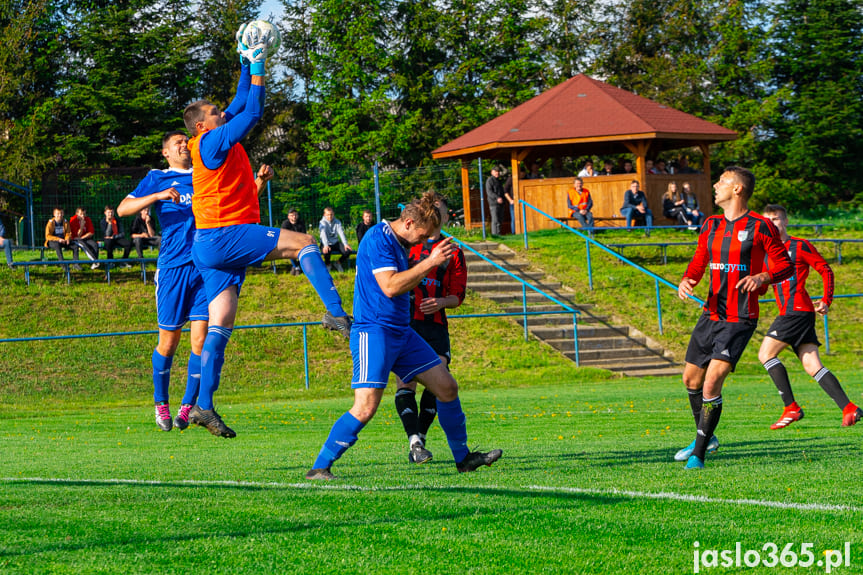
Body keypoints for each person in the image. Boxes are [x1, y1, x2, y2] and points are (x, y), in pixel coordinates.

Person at [183, 23, 351, 438]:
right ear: (203, 125)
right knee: (305, 243)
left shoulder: (210, 138)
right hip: (227, 233)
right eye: (215, 114)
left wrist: (244, 62)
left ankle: (203, 406)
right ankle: (335, 314)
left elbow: (241, 101)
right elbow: (253, 111)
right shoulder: (211, 142)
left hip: (209, 243)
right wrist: (259, 64)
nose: (223, 113)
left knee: (219, 328)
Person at [305, 190, 502, 480]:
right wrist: (430, 262)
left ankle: (464, 458)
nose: (423, 243)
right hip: (374, 331)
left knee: (447, 388)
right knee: (366, 406)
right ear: (409, 223)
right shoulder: (378, 238)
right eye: (423, 236)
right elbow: (390, 286)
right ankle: (319, 467)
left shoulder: (399, 242)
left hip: (401, 332)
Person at [675, 166, 794, 469]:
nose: (716, 185)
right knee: (691, 378)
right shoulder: (711, 224)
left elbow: (785, 266)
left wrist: (763, 276)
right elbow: (700, 260)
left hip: (740, 316)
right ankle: (707, 436)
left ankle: (699, 454)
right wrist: (688, 279)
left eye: (722, 181)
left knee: (712, 382)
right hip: (711, 313)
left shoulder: (760, 226)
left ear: (738, 189)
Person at [118, 130, 212, 432]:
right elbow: (123, 209)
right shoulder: (157, 177)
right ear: (166, 153)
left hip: (203, 267)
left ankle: (188, 406)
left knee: (200, 341)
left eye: (186, 141)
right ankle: (161, 402)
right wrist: (156, 196)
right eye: (177, 143)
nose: (184, 145)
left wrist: (259, 183)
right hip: (172, 269)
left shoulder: (205, 174)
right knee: (169, 342)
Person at [757, 204, 861, 429]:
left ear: (785, 222)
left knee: (765, 354)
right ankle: (849, 408)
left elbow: (825, 269)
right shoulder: (766, 254)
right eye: (767, 221)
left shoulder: (799, 245)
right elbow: (764, 288)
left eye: (775, 219)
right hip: (794, 313)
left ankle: (790, 407)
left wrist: (826, 300)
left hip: (796, 312)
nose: (772, 224)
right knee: (812, 365)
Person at [394, 197, 467, 464]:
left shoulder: (455, 252)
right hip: (406, 322)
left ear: (446, 217)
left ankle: (421, 438)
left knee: (440, 382)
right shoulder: (407, 246)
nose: (435, 214)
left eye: (440, 211)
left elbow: (458, 295)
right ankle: (413, 441)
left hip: (435, 325)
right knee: (406, 383)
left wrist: (441, 301)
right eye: (431, 210)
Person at [319, 206, 352, 272]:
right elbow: (323, 235)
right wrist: (325, 245)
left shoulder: (337, 222)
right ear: (324, 215)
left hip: (335, 242)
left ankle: (338, 263)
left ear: (333, 214)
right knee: (326, 251)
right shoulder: (322, 223)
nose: (330, 216)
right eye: (328, 215)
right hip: (325, 243)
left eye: (331, 214)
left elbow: (341, 233)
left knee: (348, 251)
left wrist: (345, 244)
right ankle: (328, 264)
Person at [281, 208, 307, 275]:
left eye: (295, 215)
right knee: (289, 251)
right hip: (289, 244)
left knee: (305, 251)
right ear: (288, 216)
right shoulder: (285, 224)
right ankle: (297, 267)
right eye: (292, 215)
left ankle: (295, 266)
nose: (294, 216)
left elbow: (304, 235)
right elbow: (284, 236)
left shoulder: (301, 223)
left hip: (299, 243)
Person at [484, 165, 505, 235]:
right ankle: (495, 235)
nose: (497, 173)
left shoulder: (499, 181)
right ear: (492, 172)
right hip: (493, 203)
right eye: (495, 171)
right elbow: (489, 192)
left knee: (500, 220)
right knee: (495, 220)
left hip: (501, 203)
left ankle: (498, 234)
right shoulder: (489, 181)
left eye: (498, 171)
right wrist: (497, 198)